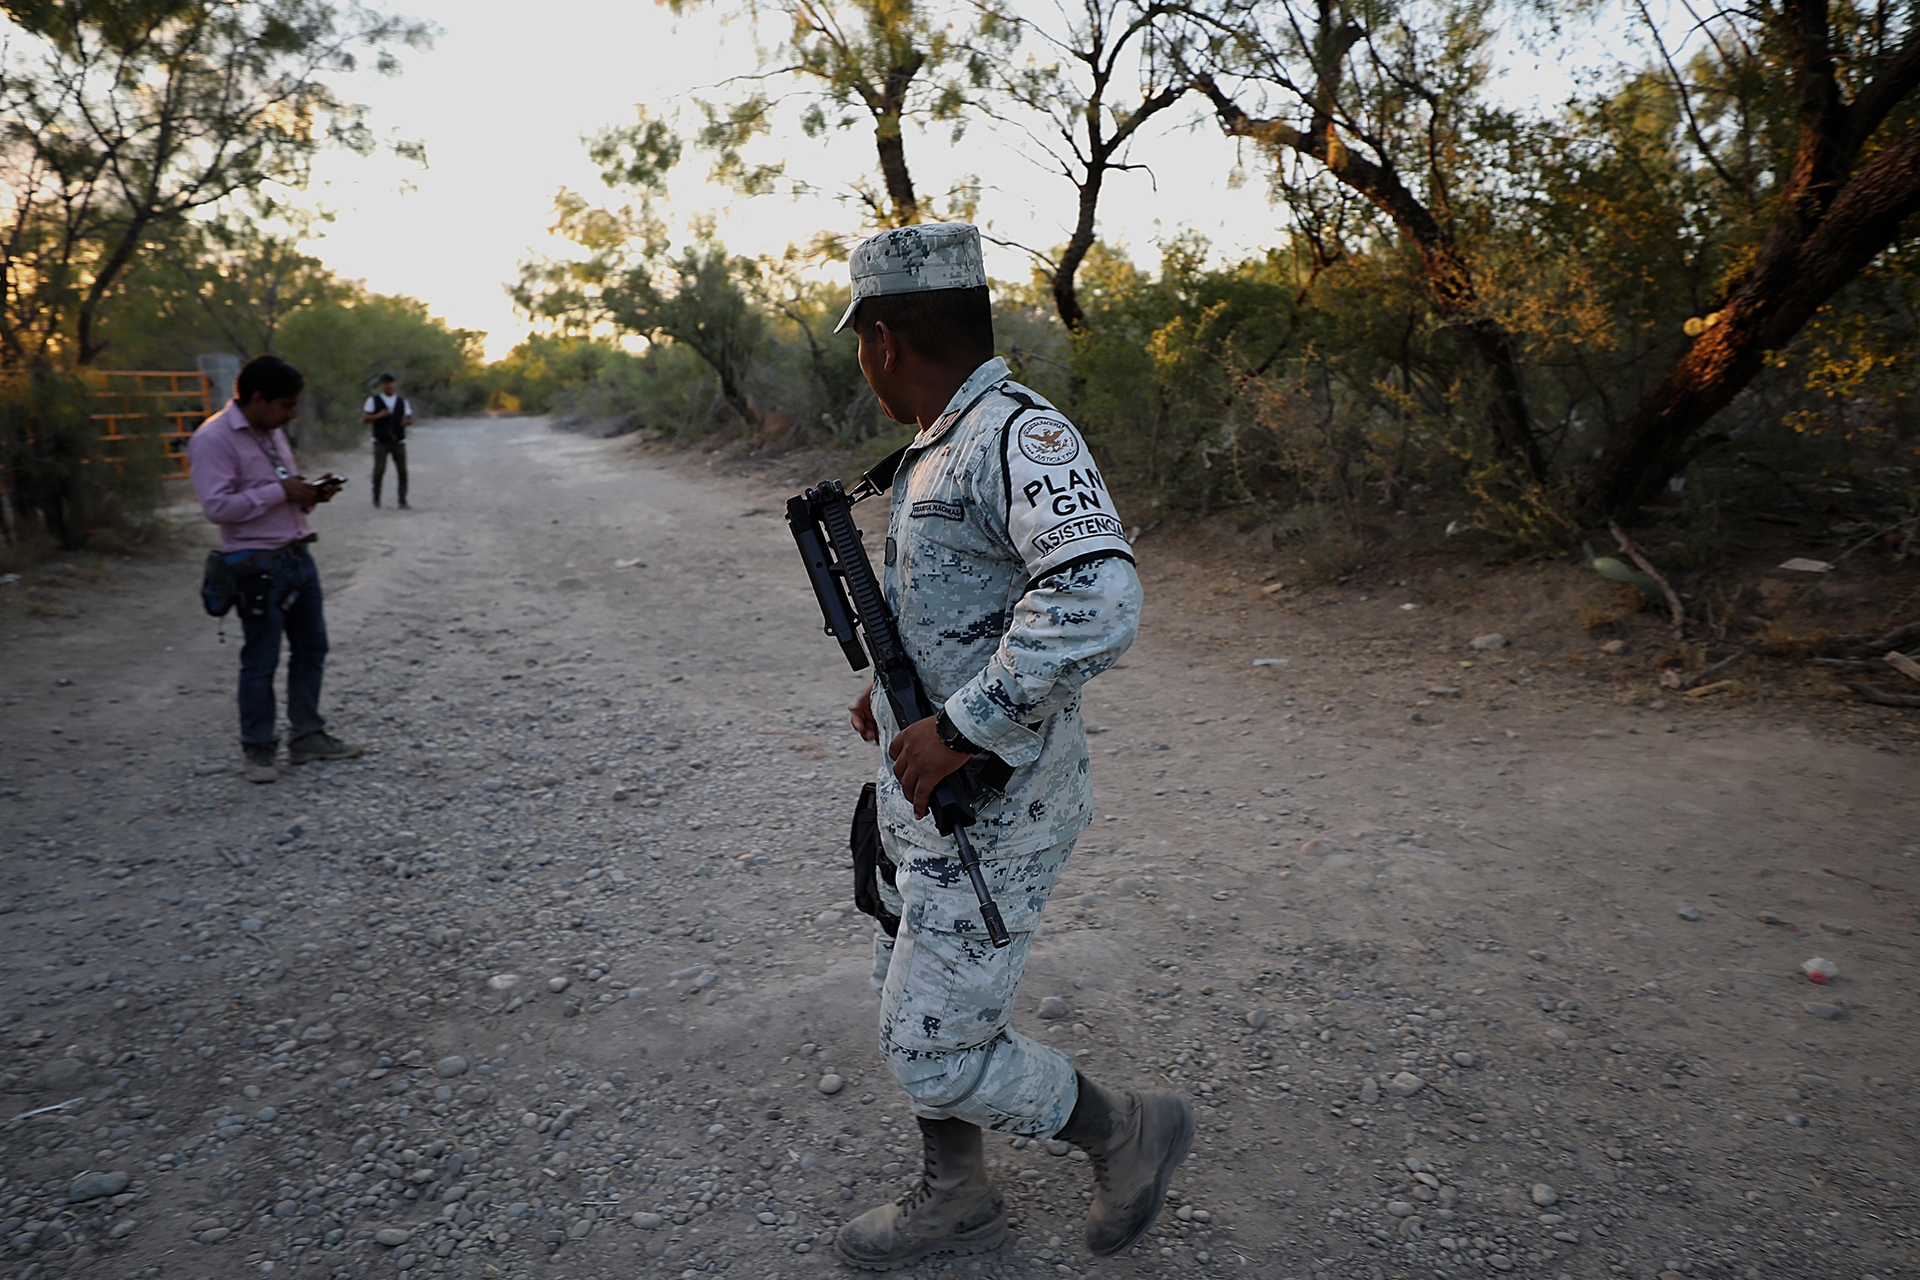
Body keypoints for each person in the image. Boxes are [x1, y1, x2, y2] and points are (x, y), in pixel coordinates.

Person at [829, 223, 1193, 1271]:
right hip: (928, 796)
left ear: (885, 340)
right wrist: (898, 691)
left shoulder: (1015, 436)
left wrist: (958, 725)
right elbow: (973, 604)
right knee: (906, 989)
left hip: (996, 805)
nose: (865, 364)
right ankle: (957, 1195)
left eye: (862, 346)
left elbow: (1097, 600)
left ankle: (1125, 1130)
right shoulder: (940, 441)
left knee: (928, 1047)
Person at [187, 354, 364, 784]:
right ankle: (259, 749)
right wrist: (279, 492)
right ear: (257, 398)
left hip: (297, 555)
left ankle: (307, 736)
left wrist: (309, 495)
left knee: (312, 649)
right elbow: (217, 507)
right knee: (261, 660)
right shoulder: (213, 439)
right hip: (256, 567)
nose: (292, 414)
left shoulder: (272, 433)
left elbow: (279, 490)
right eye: (285, 405)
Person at [361, 372, 412, 508]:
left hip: (398, 440)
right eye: (386, 383)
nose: (389, 385)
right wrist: (379, 415)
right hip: (381, 440)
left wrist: (406, 422)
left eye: (390, 383)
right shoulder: (373, 400)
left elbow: (409, 418)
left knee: (402, 471)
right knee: (379, 470)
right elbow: (365, 418)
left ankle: (402, 500)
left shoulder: (402, 401)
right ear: (381, 385)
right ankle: (376, 497)